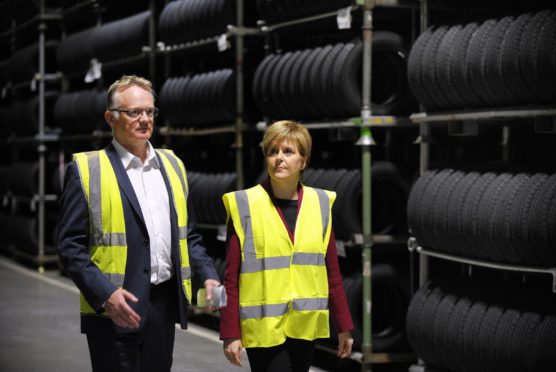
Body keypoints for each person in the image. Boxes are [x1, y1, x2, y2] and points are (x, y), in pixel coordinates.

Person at [57, 75, 221, 372]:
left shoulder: (173, 165)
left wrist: (208, 274)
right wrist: (105, 295)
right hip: (114, 310)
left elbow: (189, 235)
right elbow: (70, 248)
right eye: (134, 112)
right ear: (111, 117)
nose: (145, 119)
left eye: (150, 111)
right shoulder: (87, 169)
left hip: (162, 307)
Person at [220, 120, 354, 371]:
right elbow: (231, 277)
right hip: (263, 329)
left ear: (303, 161)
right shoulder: (244, 205)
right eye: (273, 151)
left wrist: (344, 326)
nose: (279, 158)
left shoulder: (320, 204)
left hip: (304, 325)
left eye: (288, 152)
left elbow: (332, 273)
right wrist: (230, 332)